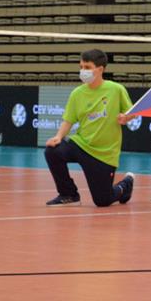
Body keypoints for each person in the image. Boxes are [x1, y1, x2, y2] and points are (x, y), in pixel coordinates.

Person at [43, 49, 135, 207]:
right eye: (81, 67)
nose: (83, 71)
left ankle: (125, 185)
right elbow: (68, 120)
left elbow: (132, 112)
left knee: (102, 200)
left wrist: (126, 117)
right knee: (53, 151)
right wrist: (58, 137)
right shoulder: (77, 93)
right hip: (81, 144)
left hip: (104, 154)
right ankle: (68, 194)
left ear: (100, 69)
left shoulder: (116, 89)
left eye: (87, 67)